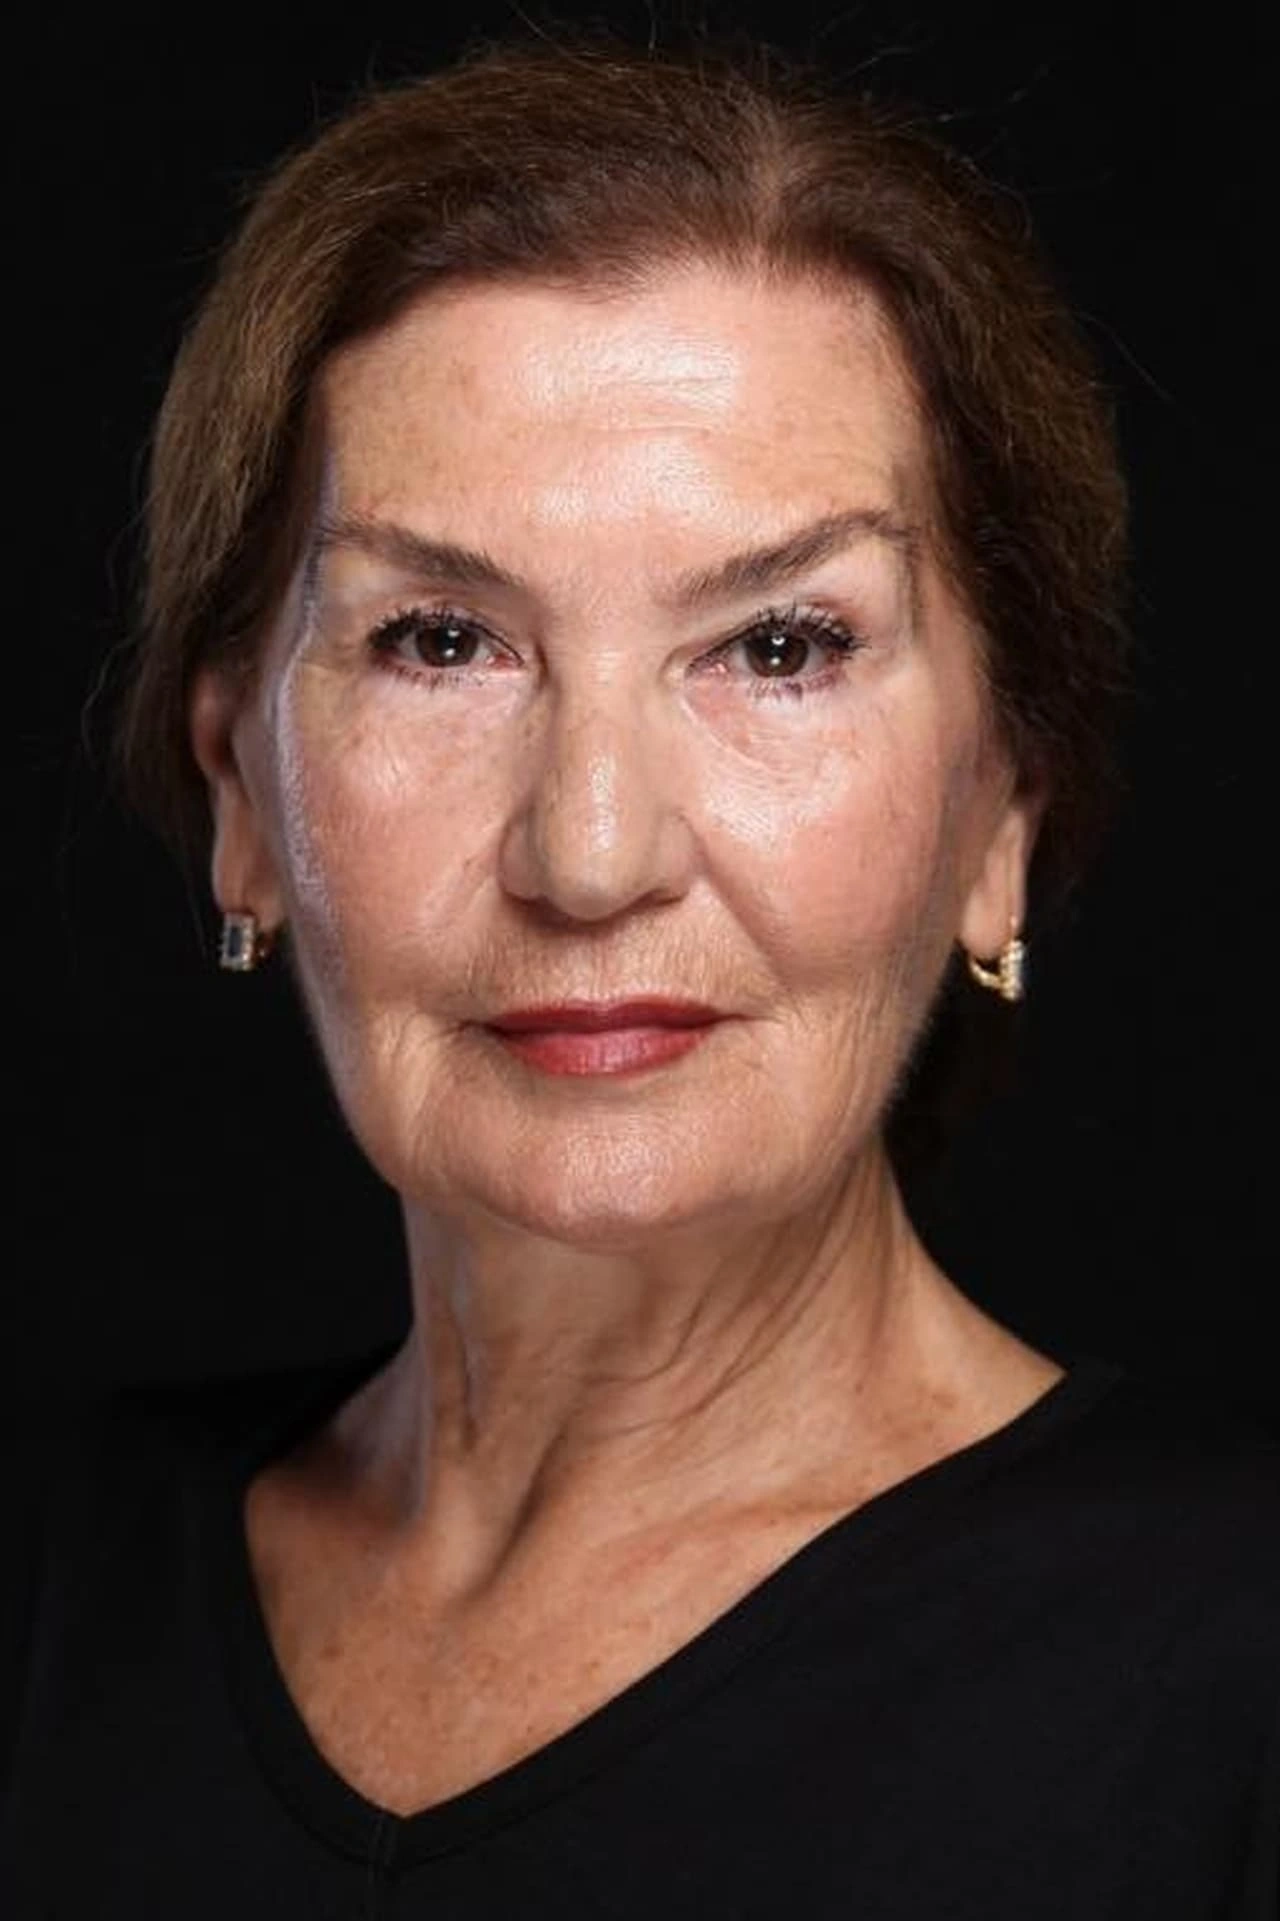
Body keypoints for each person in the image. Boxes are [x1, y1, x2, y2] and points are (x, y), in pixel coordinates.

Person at [4, 36, 1276, 1919]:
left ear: (999, 808)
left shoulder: (1238, 1674)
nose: (593, 855)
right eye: (441, 641)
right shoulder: (51, 1583)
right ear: (242, 798)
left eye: (778, 645)